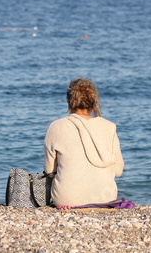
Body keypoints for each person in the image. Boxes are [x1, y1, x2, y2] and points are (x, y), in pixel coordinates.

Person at [44, 78, 124, 210]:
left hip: (67, 200)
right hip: (106, 199)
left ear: (69, 101)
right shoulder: (109, 127)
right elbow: (118, 171)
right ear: (94, 103)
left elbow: (49, 170)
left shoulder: (56, 127)